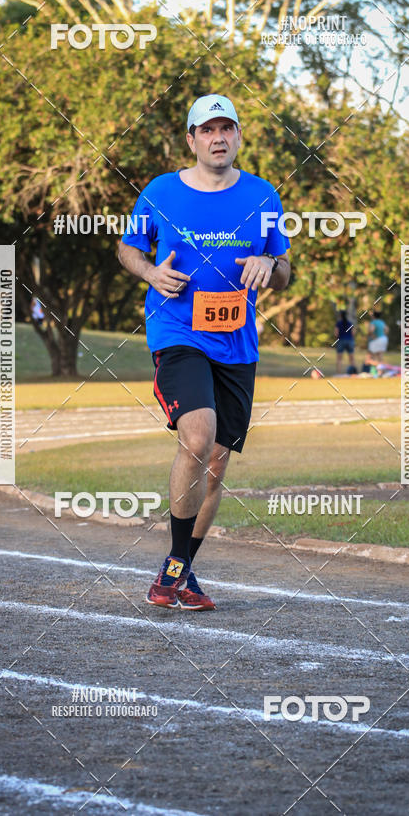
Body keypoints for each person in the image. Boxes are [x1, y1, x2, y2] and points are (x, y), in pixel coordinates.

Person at [118, 94, 291, 610]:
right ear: (191, 139)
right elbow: (129, 248)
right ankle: (174, 566)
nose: (218, 138)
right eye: (207, 130)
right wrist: (150, 272)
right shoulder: (161, 191)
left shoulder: (262, 197)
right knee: (198, 436)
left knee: (216, 461)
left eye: (227, 129)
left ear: (238, 137)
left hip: (236, 343)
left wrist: (269, 264)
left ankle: (183, 571)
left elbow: (284, 268)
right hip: (177, 333)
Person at [334, 309, 355, 373]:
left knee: (339, 359)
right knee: (351, 359)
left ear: (340, 316)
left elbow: (336, 333)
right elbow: (353, 333)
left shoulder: (338, 323)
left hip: (341, 340)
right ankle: (353, 372)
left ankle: (339, 372)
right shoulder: (350, 323)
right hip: (350, 340)